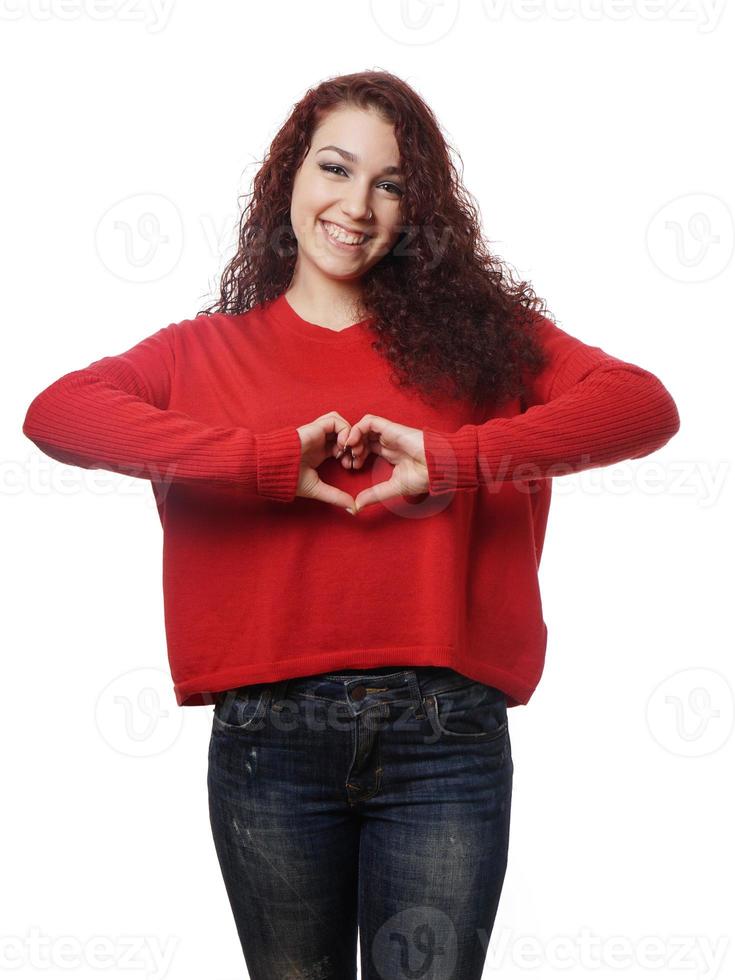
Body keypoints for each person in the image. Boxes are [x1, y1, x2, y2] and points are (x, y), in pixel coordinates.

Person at [21, 70, 680, 979]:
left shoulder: (481, 342)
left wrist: (455, 460)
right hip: (268, 740)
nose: (357, 206)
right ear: (290, 174)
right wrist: (260, 464)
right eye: (335, 168)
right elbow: (57, 414)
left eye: (391, 184)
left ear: (418, 210)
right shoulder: (199, 352)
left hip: (444, 736)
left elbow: (640, 407)